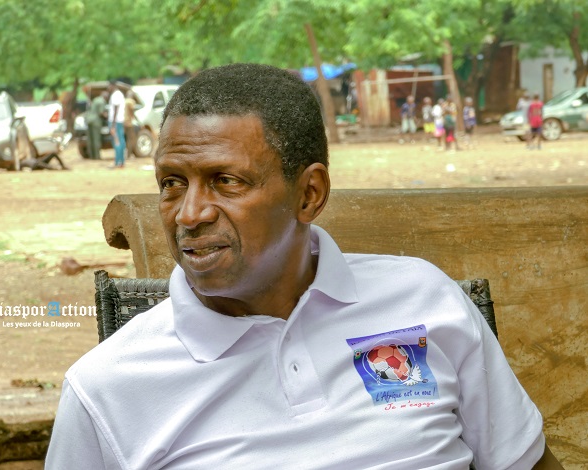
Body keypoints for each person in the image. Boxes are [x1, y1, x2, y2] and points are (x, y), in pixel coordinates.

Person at [46, 63, 560, 469]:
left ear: (310, 194)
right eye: (171, 183)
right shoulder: (107, 388)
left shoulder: (424, 299)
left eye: (226, 181)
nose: (189, 214)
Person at [107, 80, 126, 168]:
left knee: (117, 141)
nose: (108, 88)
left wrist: (113, 125)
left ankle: (118, 162)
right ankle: (121, 162)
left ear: (112, 85)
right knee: (120, 141)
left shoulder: (116, 95)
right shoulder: (119, 94)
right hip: (119, 121)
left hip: (116, 122)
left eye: (109, 86)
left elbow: (115, 109)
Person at [85, 91, 108, 160]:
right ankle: (97, 156)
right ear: (105, 97)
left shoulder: (95, 99)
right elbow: (101, 112)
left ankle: (91, 156)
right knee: (96, 139)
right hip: (96, 121)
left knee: (90, 139)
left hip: (89, 120)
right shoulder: (102, 101)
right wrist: (107, 117)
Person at [124, 90, 140, 159]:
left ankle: (125, 154)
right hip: (128, 122)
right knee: (131, 139)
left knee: (125, 138)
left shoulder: (124, 101)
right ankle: (129, 155)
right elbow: (132, 111)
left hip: (122, 122)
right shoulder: (131, 102)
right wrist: (136, 120)